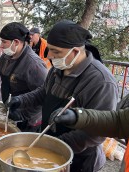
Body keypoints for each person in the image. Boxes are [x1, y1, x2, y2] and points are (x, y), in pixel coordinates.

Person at [7, 20, 118, 172]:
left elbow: (97, 132)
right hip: (49, 143)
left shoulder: (101, 81)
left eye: (56, 51)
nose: (50, 56)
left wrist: (56, 145)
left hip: (80, 158)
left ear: (75, 51)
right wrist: (20, 100)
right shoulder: (58, 68)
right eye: (50, 50)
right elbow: (43, 93)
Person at [50, 107, 129, 172]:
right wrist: (78, 116)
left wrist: (56, 145)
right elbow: (118, 121)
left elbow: (95, 136)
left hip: (84, 158)